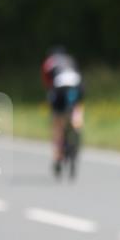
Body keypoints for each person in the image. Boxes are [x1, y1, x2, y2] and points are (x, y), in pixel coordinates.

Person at [40, 46, 85, 176]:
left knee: (57, 122)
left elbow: (47, 83)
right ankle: (77, 126)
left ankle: (58, 156)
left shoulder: (49, 62)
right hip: (77, 86)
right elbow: (79, 74)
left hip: (59, 88)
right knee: (77, 108)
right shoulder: (70, 59)